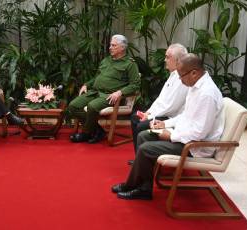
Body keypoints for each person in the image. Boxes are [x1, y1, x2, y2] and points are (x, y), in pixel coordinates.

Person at [111, 53, 224, 200]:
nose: (179, 79)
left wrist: (171, 135)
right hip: (187, 137)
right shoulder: (196, 86)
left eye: (181, 75)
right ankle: (142, 186)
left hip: (196, 147)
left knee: (146, 148)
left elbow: (199, 133)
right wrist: (166, 124)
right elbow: (186, 116)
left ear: (194, 73)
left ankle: (137, 187)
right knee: (144, 135)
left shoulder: (207, 94)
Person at [68, 34, 140, 144]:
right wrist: (86, 84)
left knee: (92, 106)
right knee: (73, 106)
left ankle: (86, 133)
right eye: (110, 45)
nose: (110, 47)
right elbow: (97, 77)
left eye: (113, 45)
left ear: (122, 47)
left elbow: (135, 85)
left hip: (109, 96)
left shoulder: (130, 64)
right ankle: (97, 130)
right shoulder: (106, 60)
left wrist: (120, 92)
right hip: (95, 92)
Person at [128, 43, 189, 165]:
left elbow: (171, 107)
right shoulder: (173, 75)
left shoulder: (182, 78)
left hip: (171, 117)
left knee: (141, 125)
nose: (165, 60)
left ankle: (144, 159)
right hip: (165, 114)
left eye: (167, 57)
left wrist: (150, 117)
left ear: (177, 60)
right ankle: (139, 157)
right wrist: (148, 112)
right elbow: (161, 100)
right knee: (135, 117)